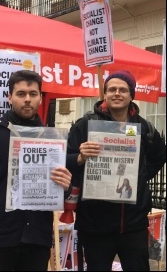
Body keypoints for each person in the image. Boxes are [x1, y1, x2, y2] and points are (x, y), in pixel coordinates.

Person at [0, 70, 72, 271]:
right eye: (21, 94)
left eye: (33, 94)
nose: (27, 99)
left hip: (36, 244)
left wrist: (65, 186)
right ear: (9, 97)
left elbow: (57, 193)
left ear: (40, 99)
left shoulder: (52, 140)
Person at [66, 70, 166, 271]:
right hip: (95, 224)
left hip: (133, 225)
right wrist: (79, 157)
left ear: (131, 95)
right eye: (111, 89)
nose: (117, 93)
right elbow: (63, 160)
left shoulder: (144, 127)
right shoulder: (85, 124)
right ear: (105, 94)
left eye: (123, 89)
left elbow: (159, 156)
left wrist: (141, 175)